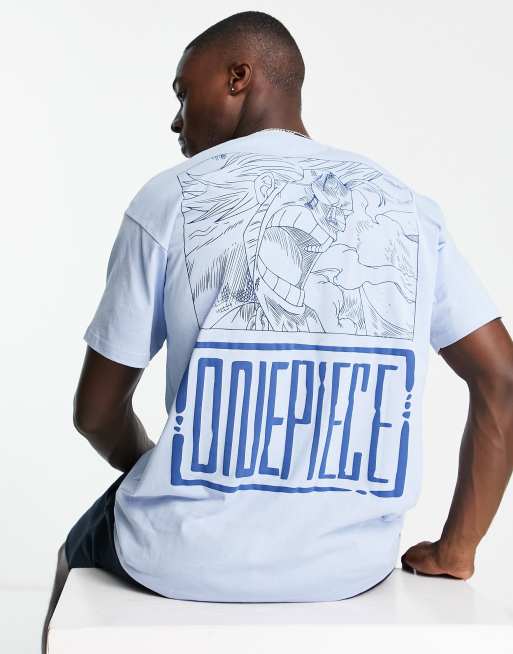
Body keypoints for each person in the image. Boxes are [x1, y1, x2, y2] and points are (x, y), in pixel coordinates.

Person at [42, 9, 513, 652]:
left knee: (72, 559)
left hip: (180, 557)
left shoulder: (169, 199)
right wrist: (458, 548)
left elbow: (95, 414)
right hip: (350, 568)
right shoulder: (406, 208)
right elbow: (501, 378)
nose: (176, 120)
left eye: (184, 93)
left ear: (239, 77)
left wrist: (155, 464)